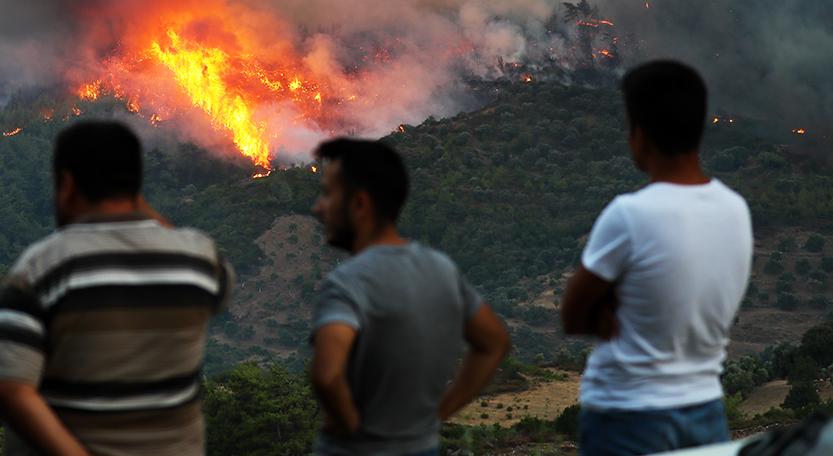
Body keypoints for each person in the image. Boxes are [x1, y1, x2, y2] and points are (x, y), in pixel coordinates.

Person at [0, 121, 235, 456]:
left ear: (67, 185)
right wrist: (135, 203)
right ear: (136, 187)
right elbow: (222, 286)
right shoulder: (199, 260)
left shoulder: (43, 267)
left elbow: (9, 388)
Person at [560, 60, 753, 456]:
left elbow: (571, 316)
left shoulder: (629, 215)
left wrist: (608, 306)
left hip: (626, 416)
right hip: (705, 412)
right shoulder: (736, 209)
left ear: (640, 135)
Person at [309, 138, 511, 456]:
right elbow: (495, 343)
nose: (318, 208)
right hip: (422, 447)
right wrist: (438, 415)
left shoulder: (348, 282)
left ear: (360, 204)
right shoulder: (442, 269)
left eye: (327, 194)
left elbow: (327, 374)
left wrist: (352, 426)